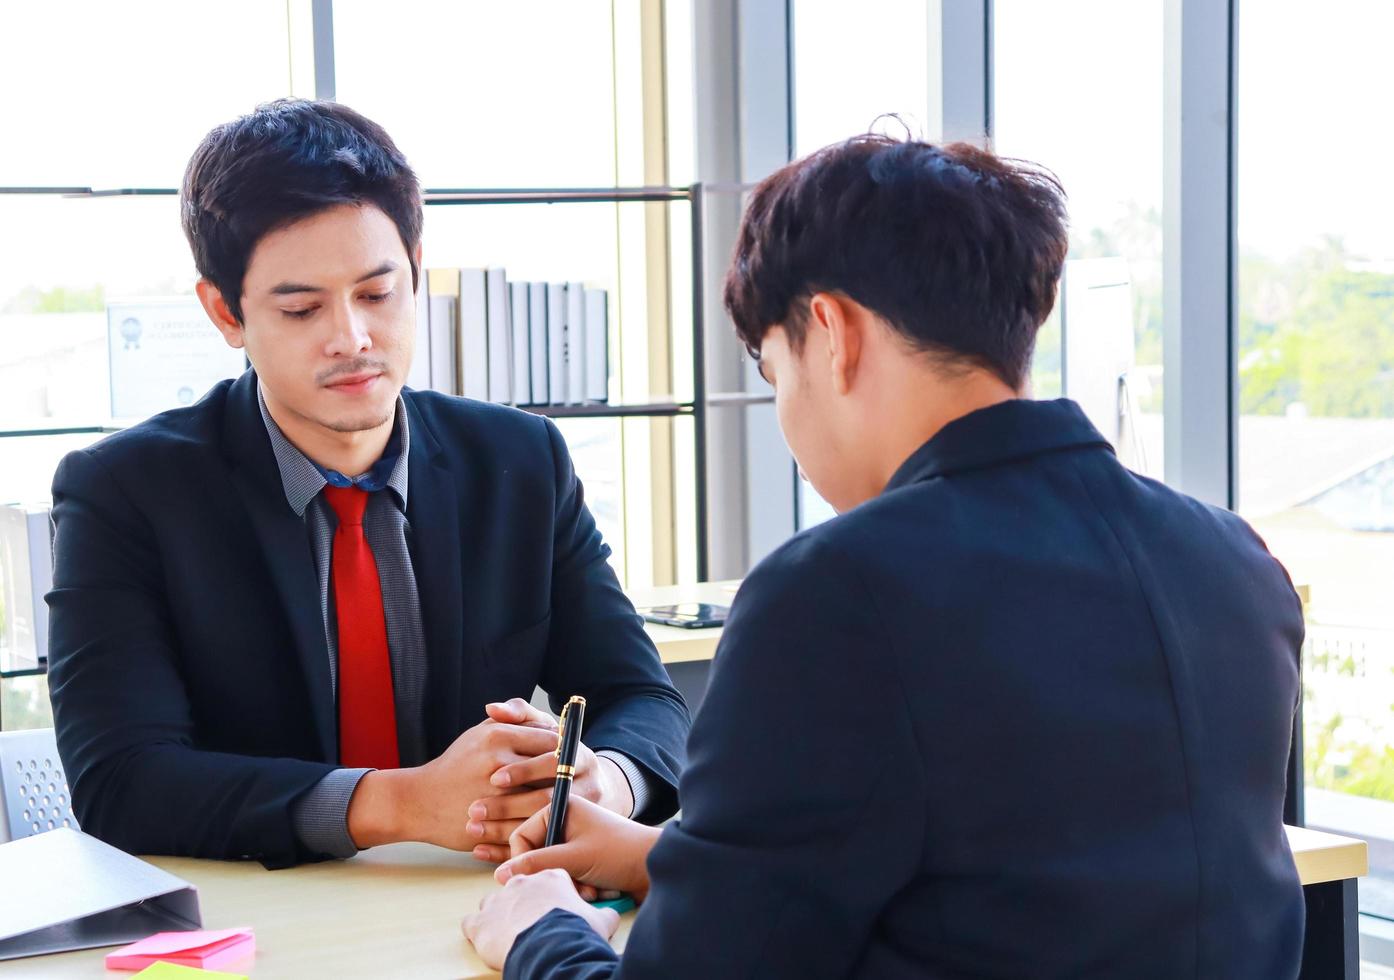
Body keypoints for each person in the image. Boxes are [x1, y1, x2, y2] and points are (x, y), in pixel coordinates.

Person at [462, 135, 1306, 978]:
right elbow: (1034, 880)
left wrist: (542, 930)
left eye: (772, 367)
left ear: (831, 333)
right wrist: (661, 856)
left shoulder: (834, 594)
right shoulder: (1233, 560)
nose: (785, 412)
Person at [46, 99, 689, 869]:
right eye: (301, 307)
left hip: (480, 911)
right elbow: (122, 781)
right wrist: (399, 803)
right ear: (225, 311)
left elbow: (643, 700)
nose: (352, 338)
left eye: (378, 294)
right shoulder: (125, 494)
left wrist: (599, 784)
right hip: (259, 931)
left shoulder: (521, 463)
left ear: (415, 270)